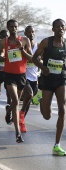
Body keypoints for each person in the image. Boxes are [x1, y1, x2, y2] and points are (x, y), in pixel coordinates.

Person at [32, 19, 66, 156]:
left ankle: (57, 145)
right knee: (47, 116)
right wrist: (42, 67)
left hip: (60, 79)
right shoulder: (47, 42)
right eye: (57, 27)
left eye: (62, 26)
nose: (60, 28)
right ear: (53, 29)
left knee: (62, 109)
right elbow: (34, 58)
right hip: (47, 79)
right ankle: (40, 98)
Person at [0, 19, 32, 143]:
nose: (14, 28)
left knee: (16, 101)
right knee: (15, 100)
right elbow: (2, 53)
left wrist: (21, 49)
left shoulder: (24, 40)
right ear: (8, 28)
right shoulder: (3, 42)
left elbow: (30, 58)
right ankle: (17, 133)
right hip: (9, 75)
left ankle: (8, 111)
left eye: (15, 27)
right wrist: (2, 55)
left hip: (21, 75)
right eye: (11, 27)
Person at [19, 26, 40, 132]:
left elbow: (43, 58)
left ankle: (16, 114)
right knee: (29, 95)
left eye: (33, 31)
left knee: (27, 102)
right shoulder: (22, 45)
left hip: (34, 76)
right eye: (29, 32)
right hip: (23, 75)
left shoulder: (38, 46)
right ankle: (21, 119)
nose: (31, 33)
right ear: (25, 33)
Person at [0, 30, 11, 104]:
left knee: (9, 93)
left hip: (8, 71)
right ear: (0, 37)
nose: (6, 37)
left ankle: (8, 108)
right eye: (4, 36)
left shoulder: (11, 46)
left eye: (7, 36)